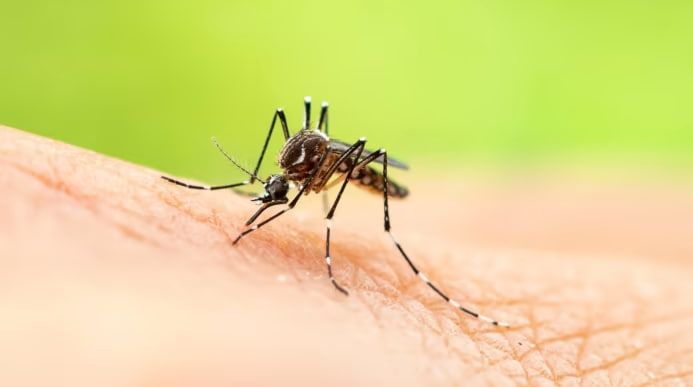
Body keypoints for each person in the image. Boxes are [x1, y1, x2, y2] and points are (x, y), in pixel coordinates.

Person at [2, 125, 692, 385]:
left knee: (338, 151)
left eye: (272, 190)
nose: (271, 198)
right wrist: (240, 190)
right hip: (320, 158)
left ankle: (392, 257)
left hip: (354, 162)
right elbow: (287, 167)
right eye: (269, 189)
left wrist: (329, 248)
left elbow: (325, 157)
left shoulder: (321, 168)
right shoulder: (286, 168)